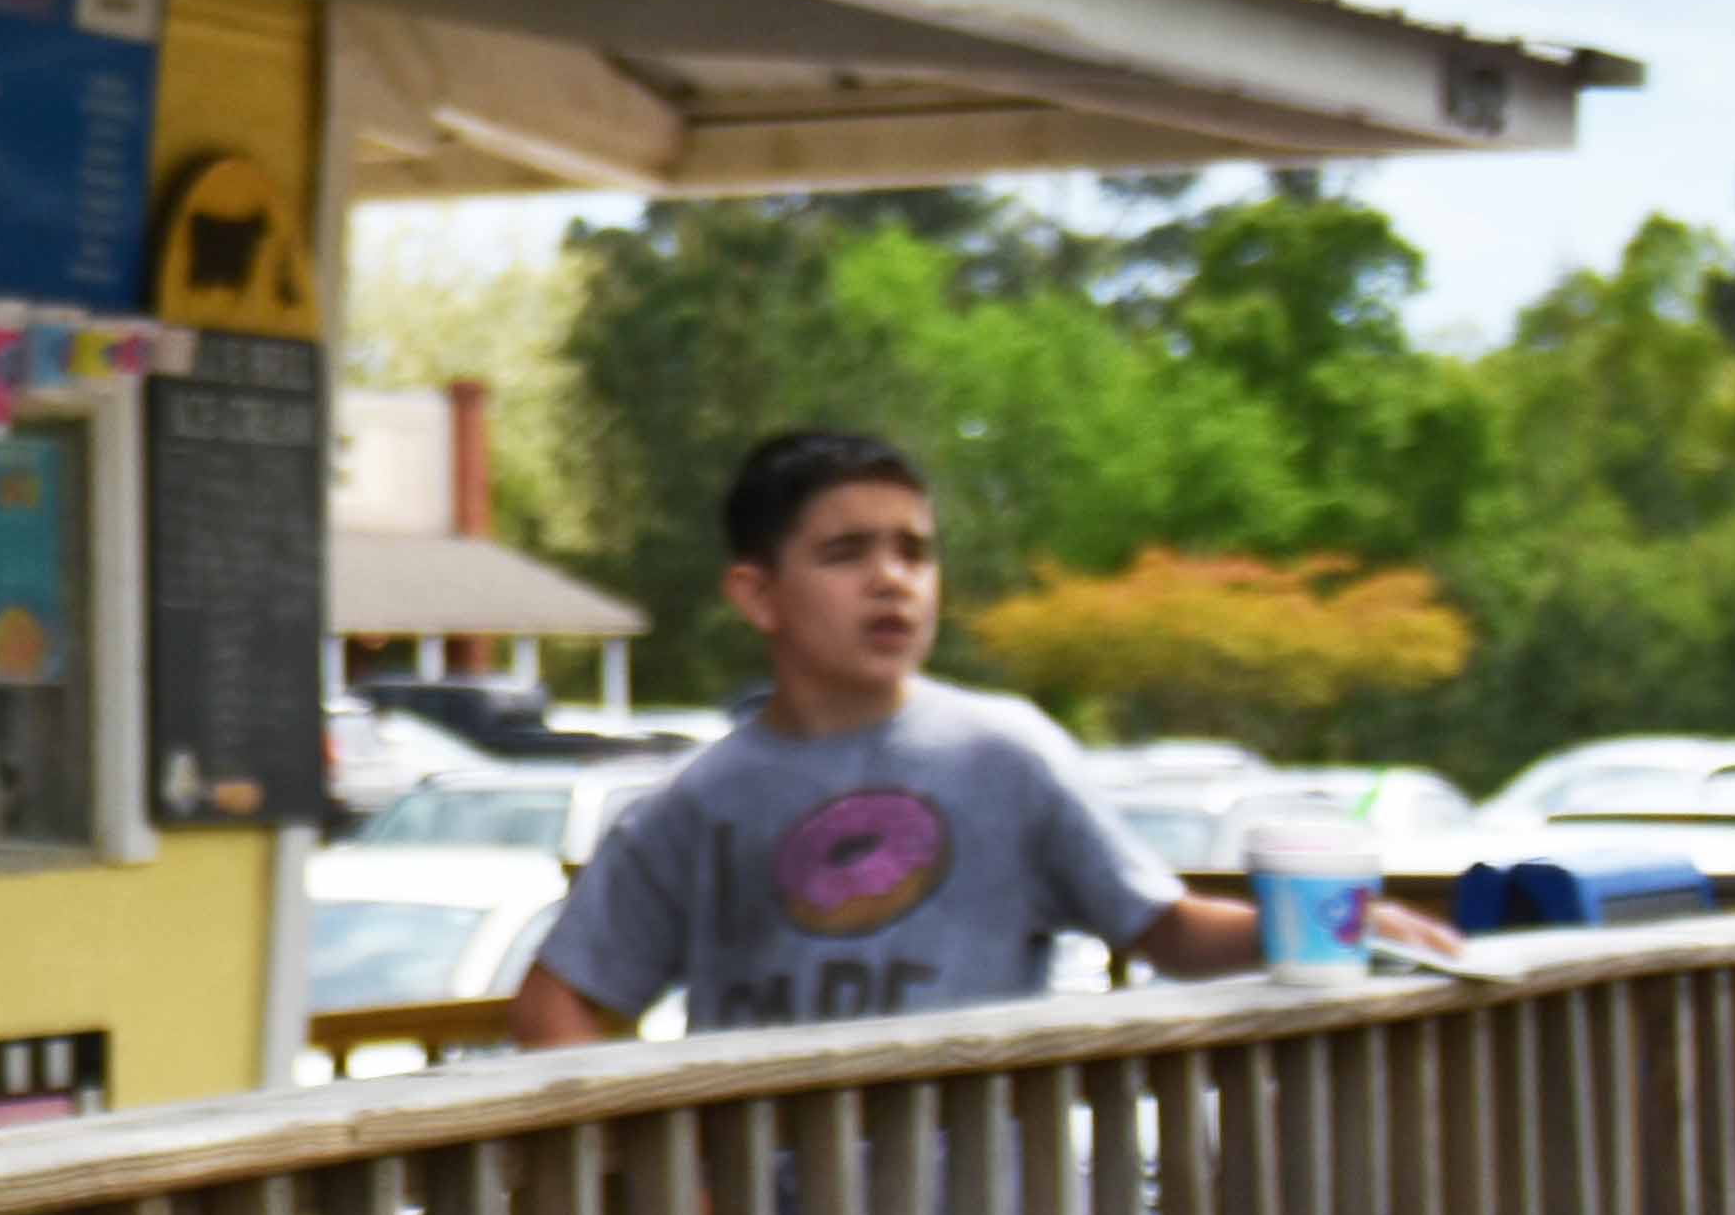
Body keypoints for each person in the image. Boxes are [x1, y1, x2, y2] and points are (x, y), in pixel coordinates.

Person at [508, 426, 1266, 1048]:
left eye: (915, 552)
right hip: (767, 1193)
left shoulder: (1007, 756)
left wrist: (1315, 921)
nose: (892, 580)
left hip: (975, 1190)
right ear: (758, 595)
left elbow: (1169, 933)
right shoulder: (699, 801)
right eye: (847, 554)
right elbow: (554, 1001)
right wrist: (642, 1166)